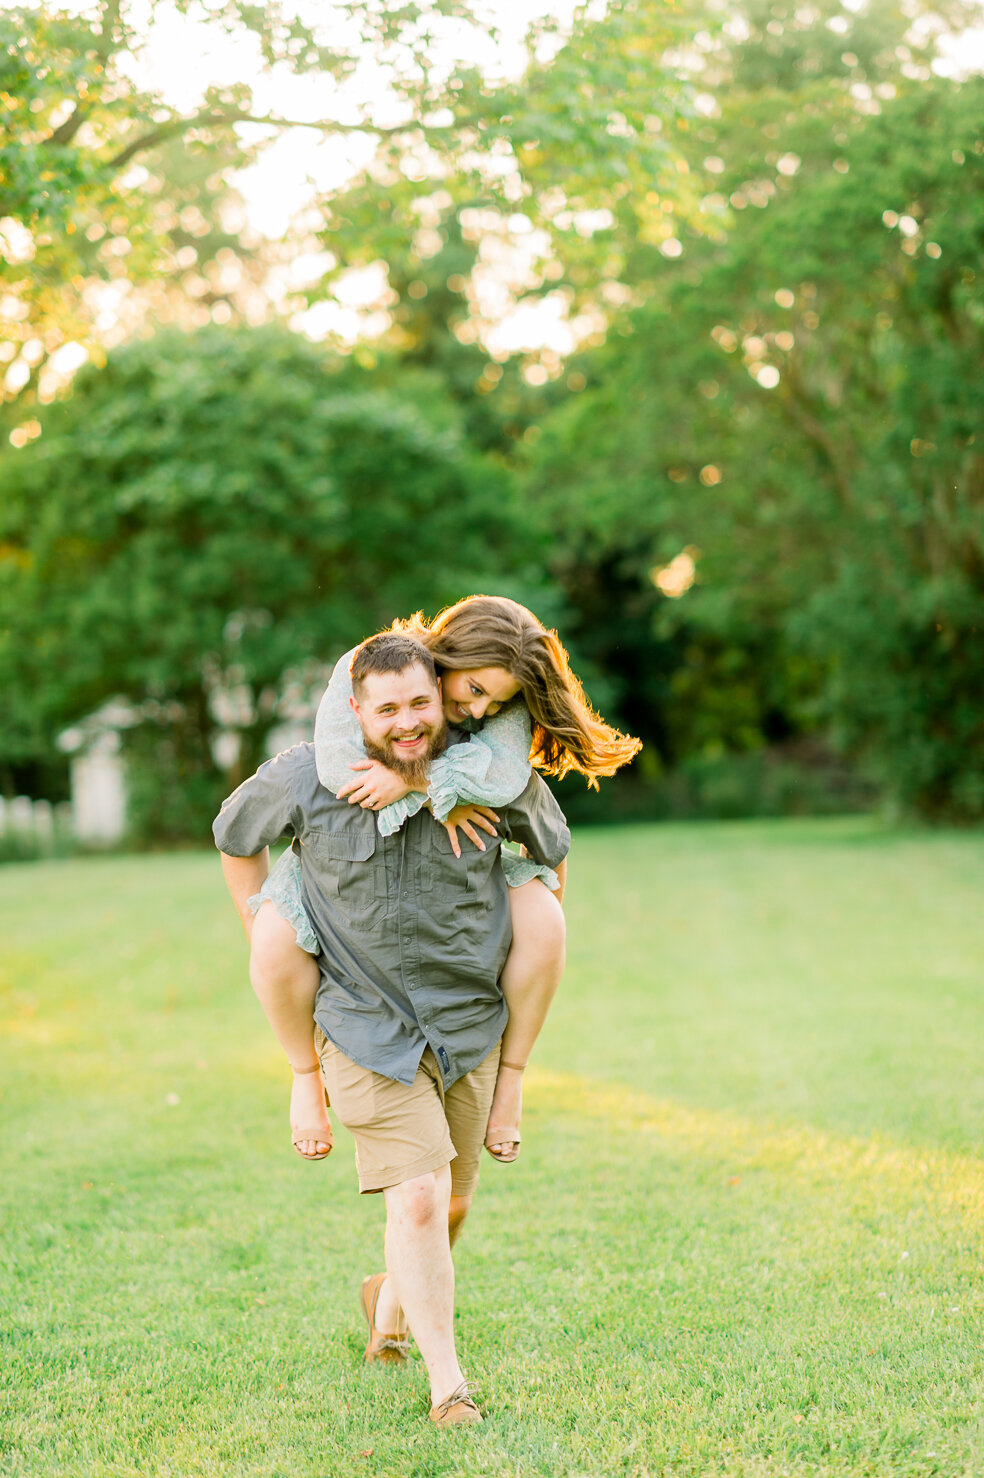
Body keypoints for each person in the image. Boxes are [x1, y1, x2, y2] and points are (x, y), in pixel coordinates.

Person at [214, 632, 571, 1426]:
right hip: (363, 1026)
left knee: (448, 1207)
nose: (408, 722)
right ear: (356, 711)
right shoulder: (308, 776)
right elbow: (235, 838)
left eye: (421, 704)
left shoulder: (489, 777)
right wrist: (269, 935)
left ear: (440, 698)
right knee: (415, 1197)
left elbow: (554, 851)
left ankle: (388, 1310)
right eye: (388, 709)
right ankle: (450, 1386)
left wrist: (531, 921)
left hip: (467, 1022)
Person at [248, 594, 640, 1163]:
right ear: (446, 658)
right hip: (341, 892)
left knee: (544, 914)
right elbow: (336, 769)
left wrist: (423, 785)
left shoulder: (496, 712)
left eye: (497, 702)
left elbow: (520, 801)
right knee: (273, 934)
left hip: (458, 958)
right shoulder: (372, 676)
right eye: (475, 691)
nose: (480, 711)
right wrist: (253, 918)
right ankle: (304, 1076)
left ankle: (513, 1077)